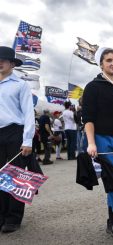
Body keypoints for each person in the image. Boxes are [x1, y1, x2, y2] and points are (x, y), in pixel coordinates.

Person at [82, 47, 113, 243]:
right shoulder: (93, 87)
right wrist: (91, 143)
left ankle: (112, 220)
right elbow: (88, 118)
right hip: (103, 141)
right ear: (100, 63)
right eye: (108, 60)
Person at [0, 46, 35, 232]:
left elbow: (29, 113)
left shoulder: (20, 84)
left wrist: (27, 140)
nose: (0, 63)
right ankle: (1, 215)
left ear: (12, 64)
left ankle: (13, 217)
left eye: (3, 60)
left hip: (15, 133)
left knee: (14, 177)